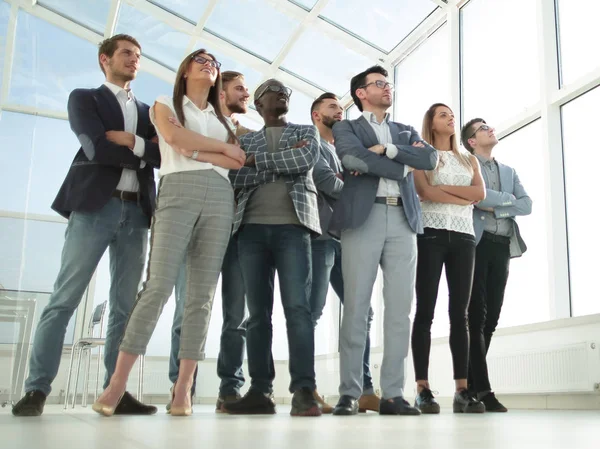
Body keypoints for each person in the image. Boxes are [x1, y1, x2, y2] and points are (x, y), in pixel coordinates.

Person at [12, 34, 160, 417]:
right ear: (104, 59)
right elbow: (97, 148)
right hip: (95, 208)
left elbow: (162, 154)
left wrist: (136, 146)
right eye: (126, 53)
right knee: (64, 299)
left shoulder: (149, 111)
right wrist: (141, 151)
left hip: (138, 213)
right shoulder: (84, 98)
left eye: (138, 56)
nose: (134, 60)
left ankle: (115, 392)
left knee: (124, 308)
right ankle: (37, 390)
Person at [93, 48, 245, 417]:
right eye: (201, 60)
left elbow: (235, 160)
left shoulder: (224, 121)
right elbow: (176, 144)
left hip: (220, 199)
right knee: (158, 286)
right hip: (179, 191)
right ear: (185, 69)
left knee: (201, 296)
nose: (210, 65)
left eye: (215, 63)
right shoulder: (166, 104)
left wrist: (200, 148)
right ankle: (116, 385)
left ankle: (183, 390)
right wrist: (211, 149)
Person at [330, 66, 438, 416]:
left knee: (399, 311)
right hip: (364, 217)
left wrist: (389, 150)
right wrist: (402, 166)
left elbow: (429, 158)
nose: (386, 88)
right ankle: (350, 392)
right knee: (357, 307)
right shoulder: (346, 126)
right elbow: (350, 157)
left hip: (404, 220)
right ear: (361, 92)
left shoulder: (404, 131)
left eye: (387, 83)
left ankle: (393, 394)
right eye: (379, 84)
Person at [223, 79, 322, 417]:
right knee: (257, 315)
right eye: (273, 90)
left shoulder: (306, 131)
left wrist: (256, 162)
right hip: (250, 231)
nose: (283, 93)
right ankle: (260, 390)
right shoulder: (244, 139)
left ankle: (304, 390)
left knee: (298, 309)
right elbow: (235, 177)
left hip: (293, 230)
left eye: (287, 92)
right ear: (259, 104)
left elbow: (304, 162)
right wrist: (277, 162)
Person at [166, 71, 254, 413]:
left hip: (237, 229)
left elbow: (254, 163)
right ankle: (181, 387)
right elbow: (181, 149)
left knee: (237, 316)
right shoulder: (193, 123)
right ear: (221, 92)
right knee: (187, 308)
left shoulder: (249, 135)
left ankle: (230, 388)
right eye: (239, 88)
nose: (246, 94)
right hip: (198, 224)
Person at [411, 103, 486, 414]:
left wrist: (441, 188)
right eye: (443, 114)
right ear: (431, 122)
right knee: (425, 310)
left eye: (452, 114)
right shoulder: (422, 155)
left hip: (464, 237)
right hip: (430, 234)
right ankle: (423, 389)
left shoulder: (468, 159)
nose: (450, 117)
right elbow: (423, 192)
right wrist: (459, 194)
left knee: (461, 314)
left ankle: (462, 390)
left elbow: (479, 194)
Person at [308, 92, 378, 413]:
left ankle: (363, 389)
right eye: (332, 106)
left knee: (361, 311)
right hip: (321, 237)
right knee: (313, 311)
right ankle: (307, 389)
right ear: (316, 115)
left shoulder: (345, 151)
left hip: (349, 239)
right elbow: (325, 181)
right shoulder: (310, 143)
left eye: (340, 106)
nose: (339, 110)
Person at [461, 118, 532, 412]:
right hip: (476, 244)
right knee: (476, 317)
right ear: (471, 141)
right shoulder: (466, 167)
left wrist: (492, 202)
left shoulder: (508, 170)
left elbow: (526, 205)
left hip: (502, 247)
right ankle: (484, 391)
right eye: (482, 128)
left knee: (491, 320)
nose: (490, 128)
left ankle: (466, 388)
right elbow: (476, 198)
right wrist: (505, 201)